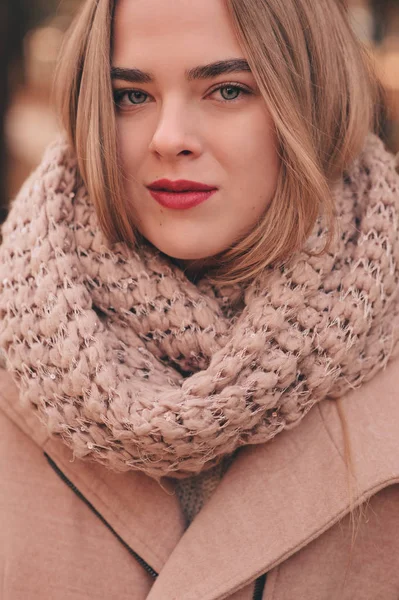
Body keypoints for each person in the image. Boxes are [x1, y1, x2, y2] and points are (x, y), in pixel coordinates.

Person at [0, 0, 398, 598]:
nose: (170, 139)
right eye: (132, 96)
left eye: (228, 90)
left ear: (312, 101)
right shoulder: (20, 334)